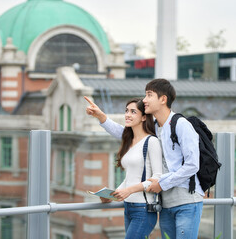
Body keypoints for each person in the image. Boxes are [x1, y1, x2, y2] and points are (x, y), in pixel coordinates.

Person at [87, 78, 204, 239]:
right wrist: (102, 117)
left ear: (163, 99)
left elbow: (192, 165)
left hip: (187, 201)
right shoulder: (155, 127)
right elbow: (128, 134)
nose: (144, 100)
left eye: (149, 95)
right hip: (165, 203)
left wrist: (162, 183)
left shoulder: (181, 125)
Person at [85, 96, 162, 239]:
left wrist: (129, 190)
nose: (127, 114)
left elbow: (157, 178)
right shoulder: (130, 142)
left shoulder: (152, 142)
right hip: (128, 207)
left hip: (143, 209)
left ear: (144, 118)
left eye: (133, 112)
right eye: (126, 111)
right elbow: (130, 178)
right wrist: (114, 194)